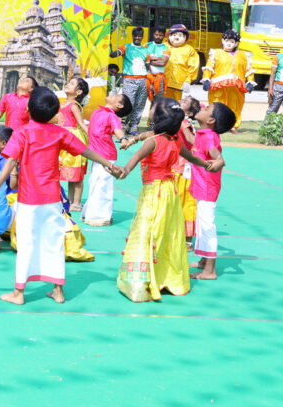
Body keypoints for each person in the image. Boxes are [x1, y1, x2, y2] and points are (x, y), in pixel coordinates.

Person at [0, 87, 123, 305]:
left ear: (29, 109)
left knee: (27, 242)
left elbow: (10, 161)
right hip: (52, 198)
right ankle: (58, 291)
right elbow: (84, 151)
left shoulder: (23, 132)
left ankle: (19, 293)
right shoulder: (59, 133)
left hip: (29, 198)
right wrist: (108, 164)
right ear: (55, 113)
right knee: (54, 241)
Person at [115, 100, 217, 302]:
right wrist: (207, 164)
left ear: (158, 119)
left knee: (148, 232)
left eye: (153, 110)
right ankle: (167, 276)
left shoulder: (153, 141)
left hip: (154, 194)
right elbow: (193, 158)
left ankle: (143, 280)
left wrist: (123, 171)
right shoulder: (174, 140)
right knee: (167, 233)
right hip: (170, 193)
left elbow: (133, 162)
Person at [190, 102, 234, 280]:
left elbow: (216, 154)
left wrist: (220, 161)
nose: (202, 107)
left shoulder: (209, 137)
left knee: (207, 226)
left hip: (207, 187)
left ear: (211, 120)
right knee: (202, 225)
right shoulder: (204, 133)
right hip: (202, 186)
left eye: (207, 109)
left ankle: (210, 270)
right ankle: (203, 261)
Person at [80, 93, 132, 227]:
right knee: (94, 183)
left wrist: (123, 139)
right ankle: (90, 213)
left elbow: (118, 130)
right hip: (95, 153)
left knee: (102, 184)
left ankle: (100, 217)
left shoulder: (112, 116)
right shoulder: (98, 111)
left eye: (117, 96)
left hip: (106, 155)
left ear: (119, 105)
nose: (112, 93)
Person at [201, 30, 253, 130]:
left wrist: (250, 82)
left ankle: (233, 125)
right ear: (222, 41)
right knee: (217, 105)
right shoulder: (216, 53)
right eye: (227, 40)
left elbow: (249, 69)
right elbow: (209, 67)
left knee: (235, 106)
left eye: (232, 41)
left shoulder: (243, 56)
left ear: (236, 43)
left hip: (236, 86)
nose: (229, 43)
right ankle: (217, 125)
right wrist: (206, 79)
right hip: (218, 86)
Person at [58, 77, 89, 211]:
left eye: (72, 84)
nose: (68, 85)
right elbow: (60, 123)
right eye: (68, 82)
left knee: (77, 173)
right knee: (70, 172)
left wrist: (93, 137)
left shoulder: (74, 105)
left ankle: (76, 202)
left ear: (78, 92)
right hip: (64, 139)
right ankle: (70, 201)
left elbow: (81, 123)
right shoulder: (62, 104)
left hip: (74, 139)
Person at [111, 27, 150, 133]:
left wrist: (150, 80)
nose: (137, 38)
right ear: (132, 36)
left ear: (142, 37)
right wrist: (112, 50)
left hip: (143, 79)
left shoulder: (146, 50)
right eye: (135, 35)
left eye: (139, 36)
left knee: (140, 104)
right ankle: (124, 124)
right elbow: (114, 54)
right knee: (128, 103)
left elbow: (148, 66)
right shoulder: (126, 47)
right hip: (129, 79)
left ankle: (134, 125)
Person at [164, 24, 200, 102]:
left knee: (176, 106)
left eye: (180, 35)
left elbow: (193, 67)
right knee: (161, 105)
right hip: (162, 83)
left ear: (185, 37)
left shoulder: (190, 50)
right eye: (174, 35)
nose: (177, 37)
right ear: (169, 36)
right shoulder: (162, 47)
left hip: (178, 85)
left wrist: (187, 80)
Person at [146, 26, 169, 102]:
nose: (158, 37)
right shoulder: (146, 45)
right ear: (153, 34)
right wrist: (158, 58)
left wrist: (149, 60)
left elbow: (163, 63)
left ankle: (154, 114)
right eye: (156, 34)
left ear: (164, 36)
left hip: (159, 77)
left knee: (158, 101)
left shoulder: (166, 48)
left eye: (160, 35)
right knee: (141, 100)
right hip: (146, 76)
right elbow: (142, 60)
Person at [265, 51, 283, 120]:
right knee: (272, 109)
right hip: (278, 86)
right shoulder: (278, 57)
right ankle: (267, 128)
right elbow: (273, 73)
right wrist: (270, 88)